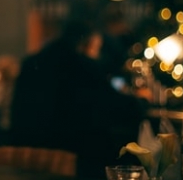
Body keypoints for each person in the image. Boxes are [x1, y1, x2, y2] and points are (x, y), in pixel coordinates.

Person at [9, 19, 149, 179]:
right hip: (68, 157)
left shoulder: (32, 61)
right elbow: (121, 107)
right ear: (88, 42)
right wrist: (141, 101)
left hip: (24, 152)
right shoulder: (81, 65)